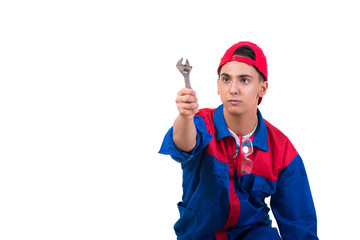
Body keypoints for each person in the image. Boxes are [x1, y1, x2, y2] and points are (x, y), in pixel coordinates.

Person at [159, 41, 318, 240]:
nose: (233, 89)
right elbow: (184, 145)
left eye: (244, 80)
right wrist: (185, 117)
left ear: (262, 88)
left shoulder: (282, 150)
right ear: (218, 85)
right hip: (200, 234)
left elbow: (299, 224)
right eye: (226, 79)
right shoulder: (200, 124)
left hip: (253, 234)